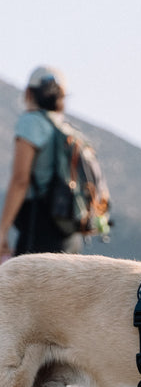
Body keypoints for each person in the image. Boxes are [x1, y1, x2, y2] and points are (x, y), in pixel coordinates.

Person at [0, 66, 82, 257]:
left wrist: (2, 230)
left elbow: (21, 180)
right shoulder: (67, 130)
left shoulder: (31, 123)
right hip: (69, 234)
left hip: (39, 228)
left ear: (29, 92)